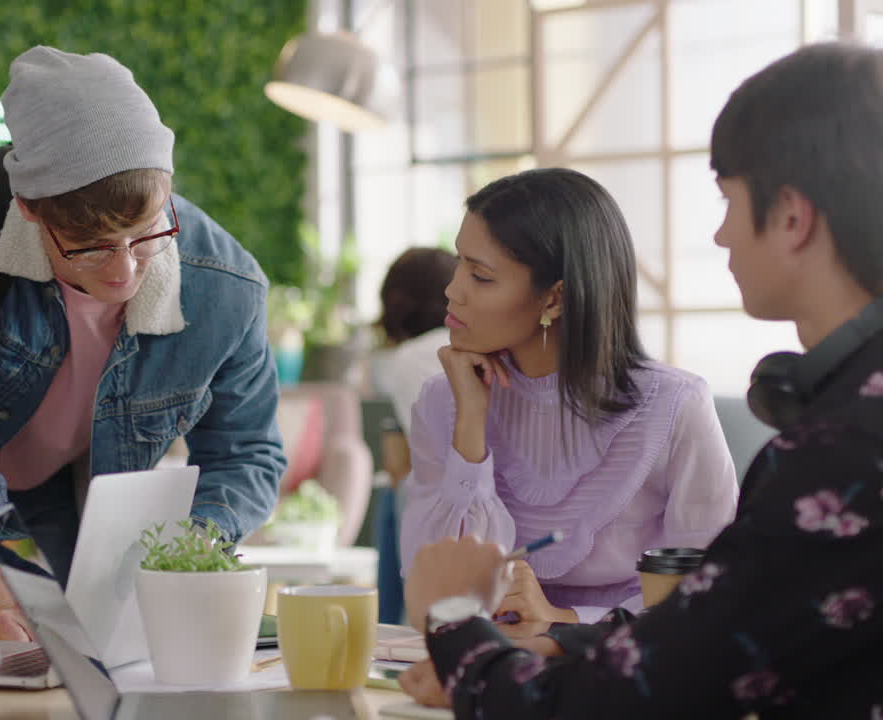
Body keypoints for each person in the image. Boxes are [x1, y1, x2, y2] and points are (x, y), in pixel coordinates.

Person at [402, 42, 883, 718]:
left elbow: (641, 693)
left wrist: (454, 620)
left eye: (728, 201)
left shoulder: (837, 453)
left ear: (793, 216)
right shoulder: (842, 423)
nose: (719, 237)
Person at [0, 46, 285, 641]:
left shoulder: (227, 287)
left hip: (60, 490)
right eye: (90, 245)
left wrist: (193, 545)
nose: (123, 272)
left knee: (92, 648)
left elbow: (248, 453)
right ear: (30, 209)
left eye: (145, 236)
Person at [399, 167, 739, 626]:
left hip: (622, 668)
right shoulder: (444, 400)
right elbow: (437, 591)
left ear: (555, 299)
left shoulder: (675, 406)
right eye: (460, 262)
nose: (452, 289)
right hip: (482, 666)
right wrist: (470, 432)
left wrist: (566, 619)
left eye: (480, 276)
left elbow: (711, 589)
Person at [369, 247, 460, 624]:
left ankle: (393, 631)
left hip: (450, 495)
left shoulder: (407, 359)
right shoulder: (470, 344)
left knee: (397, 494)